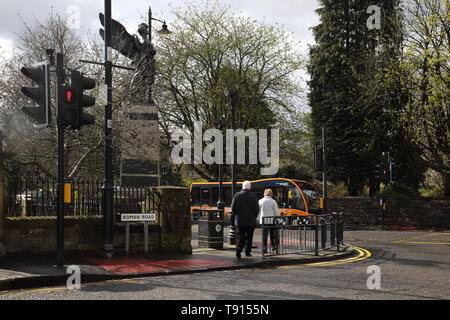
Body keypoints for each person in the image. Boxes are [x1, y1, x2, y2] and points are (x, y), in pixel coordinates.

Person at [230, 180, 259, 258]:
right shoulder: (253, 196)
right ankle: (247, 252)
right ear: (249, 187)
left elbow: (233, 209)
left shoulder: (237, 195)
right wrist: (254, 216)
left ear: (242, 187)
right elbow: (257, 209)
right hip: (251, 220)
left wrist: (236, 216)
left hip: (240, 221)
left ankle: (238, 250)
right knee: (250, 237)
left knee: (241, 236)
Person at [258, 189, 280, 253]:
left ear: (264, 193)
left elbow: (258, 211)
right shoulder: (273, 201)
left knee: (264, 235)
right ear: (271, 194)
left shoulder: (260, 201)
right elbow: (276, 212)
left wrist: (258, 219)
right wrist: (277, 219)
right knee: (272, 234)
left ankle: (264, 248)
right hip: (271, 220)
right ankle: (273, 246)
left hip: (263, 220)